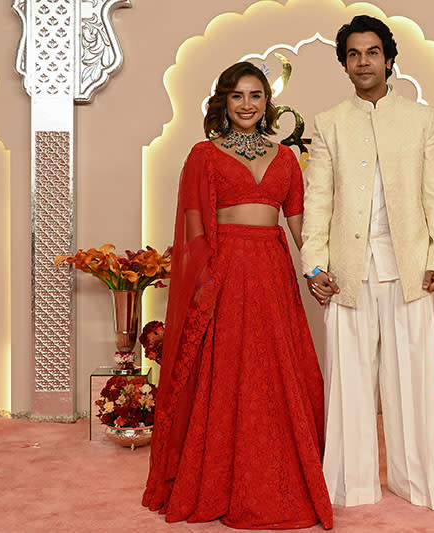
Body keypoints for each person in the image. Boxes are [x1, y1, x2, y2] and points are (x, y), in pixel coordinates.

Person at [142, 61, 333, 530]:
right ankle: (218, 478)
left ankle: (278, 471)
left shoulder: (286, 158)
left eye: (256, 96)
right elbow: (192, 226)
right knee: (227, 371)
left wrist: (314, 271)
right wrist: (202, 283)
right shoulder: (204, 155)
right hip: (224, 271)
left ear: (268, 103)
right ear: (223, 103)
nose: (247, 105)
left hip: (272, 271)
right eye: (237, 96)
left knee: (274, 369)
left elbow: (297, 224)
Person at [300, 15, 434, 510]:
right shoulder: (329, 124)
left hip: (409, 265)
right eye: (353, 54)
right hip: (346, 269)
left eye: (371, 52)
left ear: (388, 60)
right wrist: (315, 267)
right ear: (344, 64)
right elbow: (317, 202)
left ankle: (421, 484)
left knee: (414, 379)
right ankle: (352, 486)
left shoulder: (421, 120)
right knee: (349, 379)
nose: (363, 61)